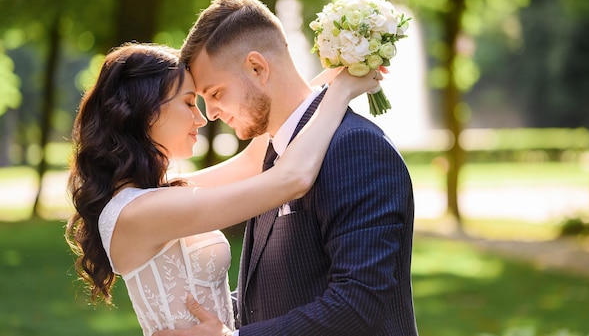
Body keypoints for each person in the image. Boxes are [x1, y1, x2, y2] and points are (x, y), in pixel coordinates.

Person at [64, 42, 380, 336]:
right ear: (148, 111)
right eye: (189, 102)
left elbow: (252, 162)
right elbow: (291, 179)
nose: (201, 118)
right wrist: (342, 92)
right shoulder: (141, 211)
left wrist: (331, 75)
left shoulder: (153, 198)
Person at [155, 0, 418, 336]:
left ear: (257, 68)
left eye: (216, 93)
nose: (212, 114)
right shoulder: (276, 156)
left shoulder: (355, 148)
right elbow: (279, 294)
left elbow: (358, 304)